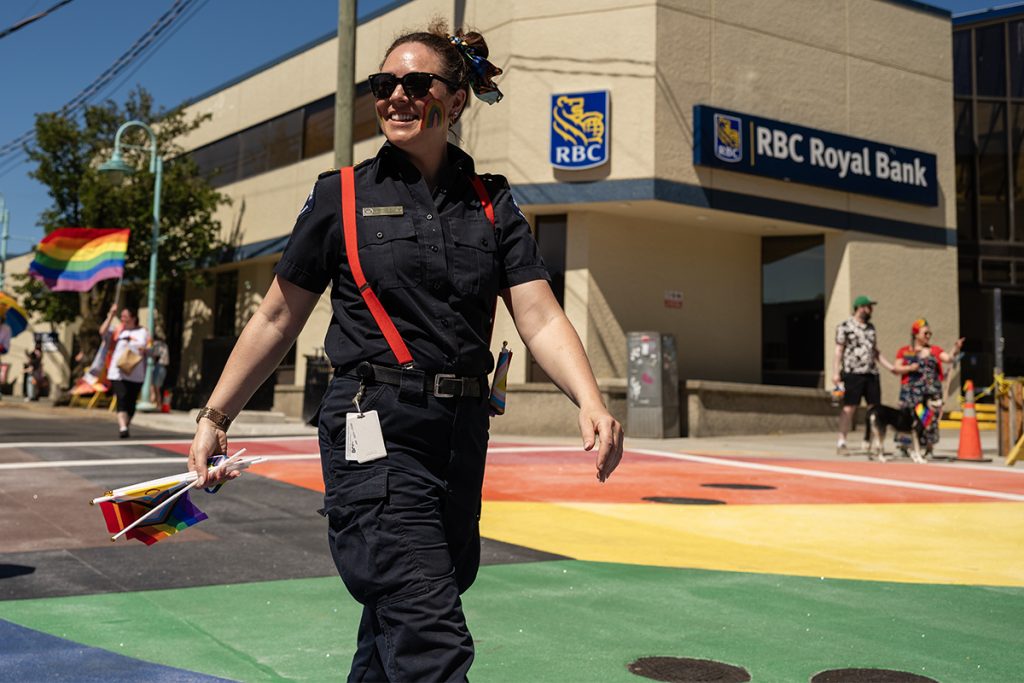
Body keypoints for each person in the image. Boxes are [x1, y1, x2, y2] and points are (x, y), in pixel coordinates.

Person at [188, 21, 623, 682]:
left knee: (402, 619)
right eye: (382, 85)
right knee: (429, 634)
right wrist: (215, 416)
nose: (393, 96)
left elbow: (536, 313)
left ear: (455, 100)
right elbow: (278, 314)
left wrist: (589, 397)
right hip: (374, 430)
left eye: (414, 83)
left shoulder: (491, 201)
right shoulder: (342, 196)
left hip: (459, 432)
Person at [832, 295, 897, 455]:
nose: (871, 310)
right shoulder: (845, 326)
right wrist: (835, 373)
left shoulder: (871, 328)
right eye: (868, 306)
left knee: (874, 409)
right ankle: (841, 442)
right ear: (860, 307)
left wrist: (890, 367)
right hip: (852, 373)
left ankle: (873, 442)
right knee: (849, 408)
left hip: (871, 374)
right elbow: (838, 350)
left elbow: (875, 352)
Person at [894, 318, 964, 455]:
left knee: (929, 417)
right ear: (916, 334)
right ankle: (906, 445)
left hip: (930, 392)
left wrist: (955, 349)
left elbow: (948, 358)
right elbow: (897, 367)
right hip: (911, 392)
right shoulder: (905, 351)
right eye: (925, 333)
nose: (928, 336)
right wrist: (909, 367)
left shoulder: (934, 350)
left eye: (929, 333)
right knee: (908, 416)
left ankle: (927, 444)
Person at [100, 304, 149, 438]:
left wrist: (141, 348)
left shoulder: (143, 331)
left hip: (135, 373)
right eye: (121, 316)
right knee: (121, 398)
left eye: (125, 316)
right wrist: (111, 314)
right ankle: (122, 427)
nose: (123, 318)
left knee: (131, 402)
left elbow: (146, 347)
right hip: (118, 371)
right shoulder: (118, 330)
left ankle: (126, 424)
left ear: (133, 317)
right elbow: (102, 332)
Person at [149, 337, 170, 405]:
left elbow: (154, 354)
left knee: (153, 386)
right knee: (157, 387)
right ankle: (157, 403)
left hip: (159, 366)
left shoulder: (158, 344)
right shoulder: (164, 345)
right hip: (162, 367)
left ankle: (155, 403)